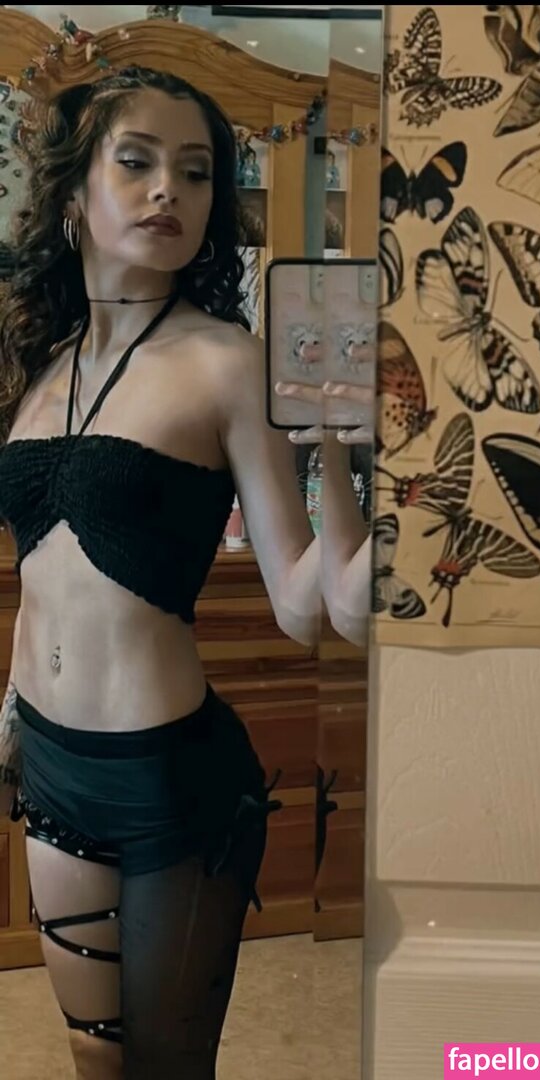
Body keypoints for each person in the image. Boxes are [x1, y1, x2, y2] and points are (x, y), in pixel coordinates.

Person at [0, 65, 334, 1080]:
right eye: (136, 162)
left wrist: (361, 470)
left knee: (164, 1068)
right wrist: (9, 715)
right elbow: (41, 579)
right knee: (90, 1057)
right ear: (72, 196)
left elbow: (305, 604)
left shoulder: (227, 359)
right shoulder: (41, 363)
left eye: (195, 172)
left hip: (167, 782)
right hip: (49, 761)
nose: (168, 191)